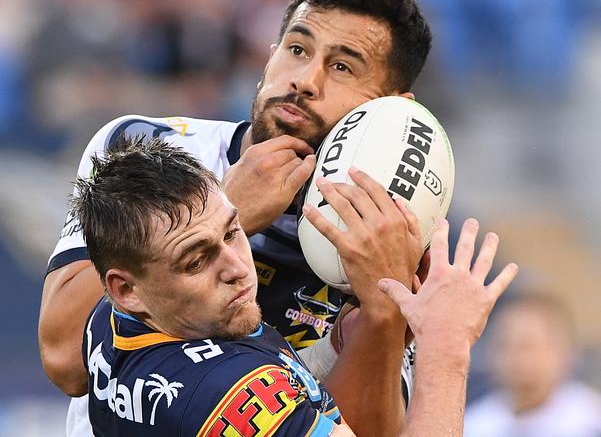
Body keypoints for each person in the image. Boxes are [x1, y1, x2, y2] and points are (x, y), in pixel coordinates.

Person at [40, 0, 434, 436]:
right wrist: (228, 211)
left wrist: (380, 320)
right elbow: (66, 360)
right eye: (296, 49)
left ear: (393, 109)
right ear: (268, 58)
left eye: (342, 66)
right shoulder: (144, 147)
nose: (305, 80)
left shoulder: (385, 240)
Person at [74, 136, 516, 436]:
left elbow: (285, 387)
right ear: (126, 288)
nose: (236, 267)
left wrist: (339, 346)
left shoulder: (110, 321)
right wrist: (446, 344)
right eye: (196, 260)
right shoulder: (230, 395)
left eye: (232, 232)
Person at [464, 294, 601, 437]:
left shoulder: (590, 423)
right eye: (505, 345)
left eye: (527, 346)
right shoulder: (474, 424)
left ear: (566, 351)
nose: (516, 358)